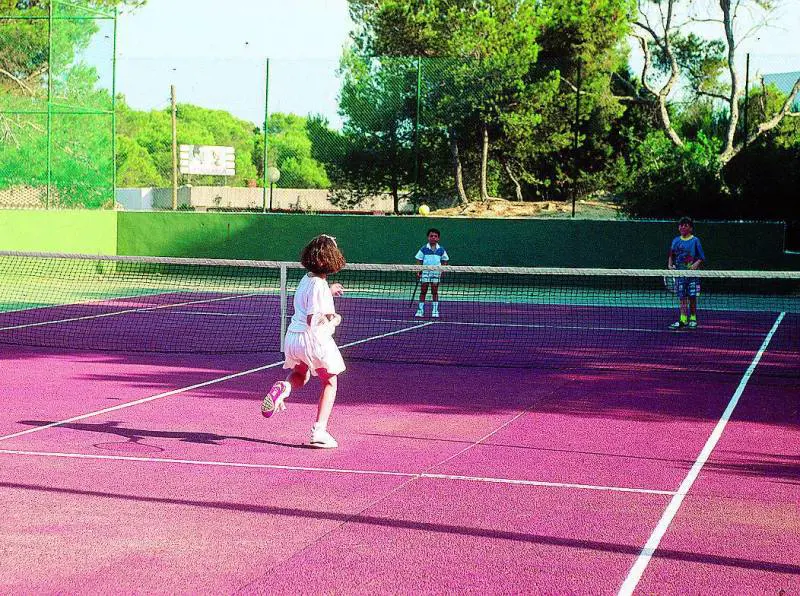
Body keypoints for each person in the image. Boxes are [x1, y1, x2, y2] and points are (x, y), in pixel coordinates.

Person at [261, 234, 346, 448]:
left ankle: (284, 387)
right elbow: (313, 319)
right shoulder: (318, 285)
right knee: (330, 382)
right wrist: (333, 319)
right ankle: (319, 432)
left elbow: (314, 297)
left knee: (301, 374)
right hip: (312, 339)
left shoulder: (307, 279)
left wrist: (330, 291)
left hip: (293, 338)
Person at [668, 216, 705, 330]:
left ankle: (693, 319)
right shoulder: (675, 240)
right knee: (682, 297)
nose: (683, 227)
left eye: (686, 225)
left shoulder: (695, 241)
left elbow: (701, 257)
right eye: (681, 225)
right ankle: (683, 319)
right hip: (680, 275)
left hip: (693, 276)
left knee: (692, 297)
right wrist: (670, 265)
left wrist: (695, 264)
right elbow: (671, 255)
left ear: (691, 228)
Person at [414, 228, 449, 318]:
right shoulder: (424, 248)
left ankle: (435, 310)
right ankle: (420, 310)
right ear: (428, 237)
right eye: (431, 236)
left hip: (436, 273)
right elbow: (418, 259)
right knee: (423, 291)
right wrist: (419, 270)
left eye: (435, 236)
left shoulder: (441, 249)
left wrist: (442, 270)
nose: (433, 238)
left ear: (438, 238)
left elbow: (445, 259)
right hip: (425, 272)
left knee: (434, 291)